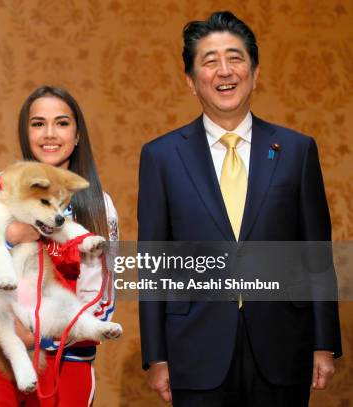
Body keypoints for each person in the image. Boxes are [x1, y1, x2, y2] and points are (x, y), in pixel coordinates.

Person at [137, 11, 342, 407]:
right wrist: (156, 355)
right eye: (209, 61)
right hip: (194, 348)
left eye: (235, 58)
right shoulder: (161, 156)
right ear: (191, 81)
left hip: (283, 344)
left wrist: (324, 342)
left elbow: (317, 253)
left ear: (255, 71)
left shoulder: (296, 151)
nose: (224, 71)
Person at [0, 85, 118, 406]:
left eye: (62, 123)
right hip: (2, 358)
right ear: (26, 133)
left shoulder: (98, 205)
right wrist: (10, 237)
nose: (49, 134)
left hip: (68, 361)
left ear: (77, 135)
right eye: (38, 123)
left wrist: (41, 336)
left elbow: (103, 301)